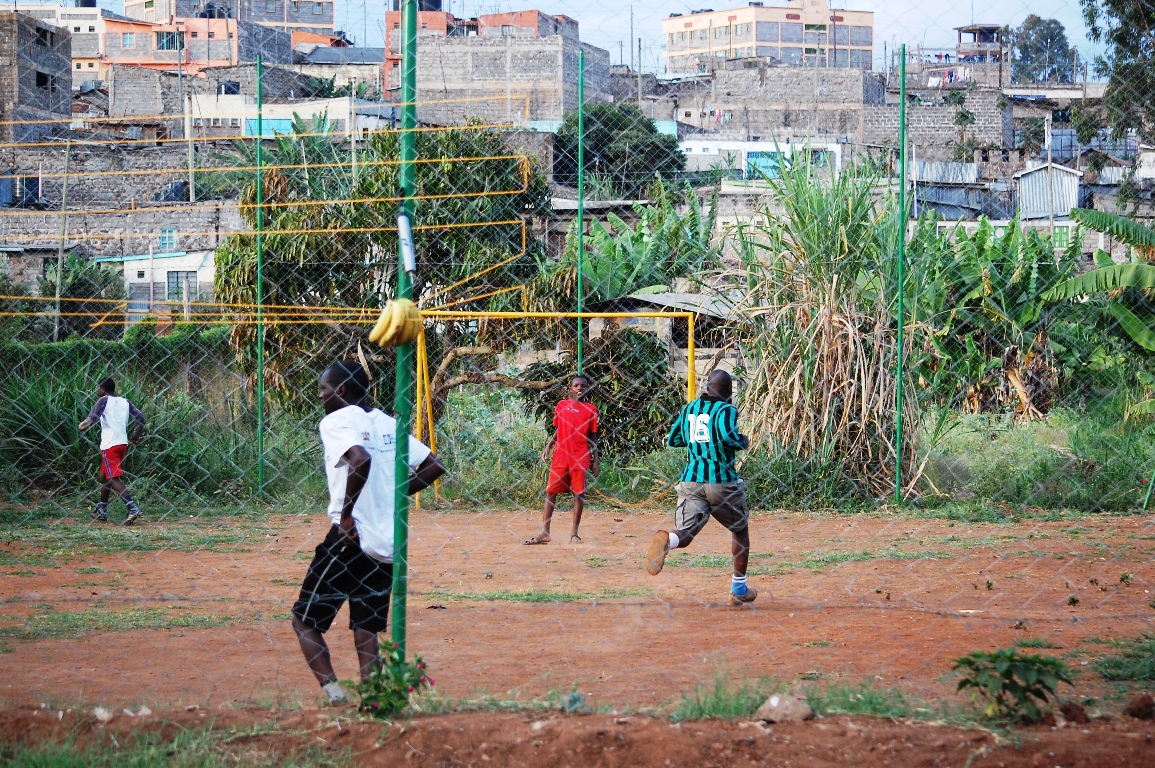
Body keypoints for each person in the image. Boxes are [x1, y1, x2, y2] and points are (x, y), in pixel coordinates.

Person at [291, 359, 446, 705]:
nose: (321, 396)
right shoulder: (386, 423)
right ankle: (375, 700)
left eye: (323, 389)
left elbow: (360, 459)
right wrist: (394, 492)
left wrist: (346, 515)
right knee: (366, 630)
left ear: (340, 391)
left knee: (304, 621)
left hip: (350, 538)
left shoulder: (336, 420)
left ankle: (334, 695)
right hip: (386, 542)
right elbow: (434, 465)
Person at [644, 369, 757, 606]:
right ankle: (738, 588)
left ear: (707, 387)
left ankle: (668, 541)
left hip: (691, 481)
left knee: (686, 535)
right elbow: (727, 436)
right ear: (728, 391)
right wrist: (742, 441)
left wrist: (697, 440)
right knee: (740, 531)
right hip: (721, 481)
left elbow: (673, 439)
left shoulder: (690, 409)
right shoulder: (726, 409)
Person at [525, 373, 599, 545]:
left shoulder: (591, 409)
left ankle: (574, 533)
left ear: (587, 389)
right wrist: (549, 446)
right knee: (551, 492)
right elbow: (559, 430)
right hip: (561, 455)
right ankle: (545, 532)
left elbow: (593, 436)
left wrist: (596, 460)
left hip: (580, 456)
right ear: (570, 389)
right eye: (576, 385)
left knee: (578, 494)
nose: (580, 388)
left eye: (583, 385)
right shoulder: (562, 405)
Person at [77, 377, 145, 525]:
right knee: (104, 477)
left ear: (102, 388)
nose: (97, 391)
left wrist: (81, 426)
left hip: (110, 446)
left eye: (98, 388)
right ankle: (101, 510)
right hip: (122, 444)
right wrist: (134, 437)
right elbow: (141, 418)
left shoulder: (103, 400)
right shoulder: (125, 402)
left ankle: (132, 508)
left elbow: (91, 419)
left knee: (113, 477)